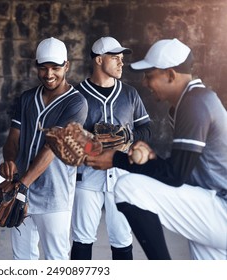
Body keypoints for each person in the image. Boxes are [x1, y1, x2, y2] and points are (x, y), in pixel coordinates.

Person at [85, 38, 227, 260]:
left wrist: (117, 159)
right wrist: (152, 159)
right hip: (213, 203)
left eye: (150, 76)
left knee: (128, 187)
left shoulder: (195, 102)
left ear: (170, 75)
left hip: (221, 206)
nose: (145, 82)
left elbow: (175, 175)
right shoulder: (192, 100)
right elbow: (181, 168)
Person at [0, 37, 88, 260]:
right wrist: (9, 160)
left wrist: (21, 186)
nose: (49, 75)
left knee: (55, 260)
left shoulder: (76, 103)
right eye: (43, 68)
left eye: (56, 68)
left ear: (66, 66)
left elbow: (52, 147)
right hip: (22, 191)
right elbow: (13, 138)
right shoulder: (27, 98)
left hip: (54, 194)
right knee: (22, 259)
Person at [70, 37, 151, 260]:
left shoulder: (130, 93)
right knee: (82, 238)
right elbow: (68, 137)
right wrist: (91, 143)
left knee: (123, 239)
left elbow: (147, 128)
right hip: (87, 176)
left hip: (122, 176)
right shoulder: (77, 94)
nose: (121, 63)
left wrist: (128, 135)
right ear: (98, 60)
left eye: (122, 58)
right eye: (115, 58)